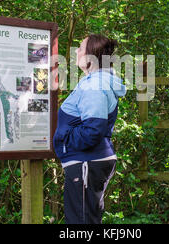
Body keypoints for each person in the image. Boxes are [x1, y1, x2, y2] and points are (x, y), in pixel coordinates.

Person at [53, 34, 127, 224]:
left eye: (80, 47)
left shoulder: (95, 84)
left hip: (86, 162)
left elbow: (93, 129)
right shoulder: (96, 81)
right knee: (85, 219)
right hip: (88, 161)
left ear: (92, 56)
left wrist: (66, 141)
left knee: (81, 222)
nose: (76, 51)